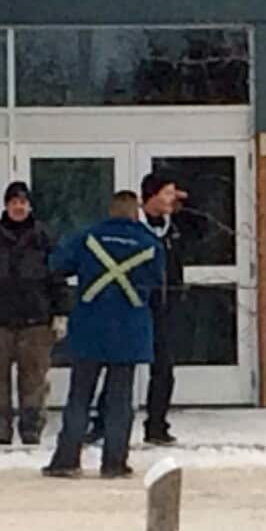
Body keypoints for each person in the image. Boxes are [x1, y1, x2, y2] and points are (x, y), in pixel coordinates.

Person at [43, 191, 165, 479]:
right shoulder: (150, 244)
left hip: (90, 328)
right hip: (129, 330)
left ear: (110, 211)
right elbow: (158, 282)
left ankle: (66, 460)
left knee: (79, 397)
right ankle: (114, 462)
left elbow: (56, 265)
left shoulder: (87, 237)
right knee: (120, 400)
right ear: (136, 212)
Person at [87, 172, 187, 446]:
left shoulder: (174, 227)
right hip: (133, 305)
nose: (171, 199)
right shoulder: (133, 226)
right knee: (121, 364)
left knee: (164, 367)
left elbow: (205, 228)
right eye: (167, 193)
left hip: (165, 306)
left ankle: (157, 426)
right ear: (151, 196)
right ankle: (102, 423)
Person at [0, 181, 66, 446]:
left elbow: (58, 278)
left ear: (29, 205)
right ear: (6, 205)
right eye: (13, 202)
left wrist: (61, 313)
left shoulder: (45, 237)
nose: (18, 207)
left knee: (34, 382)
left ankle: (31, 431)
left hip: (36, 322)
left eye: (22, 202)